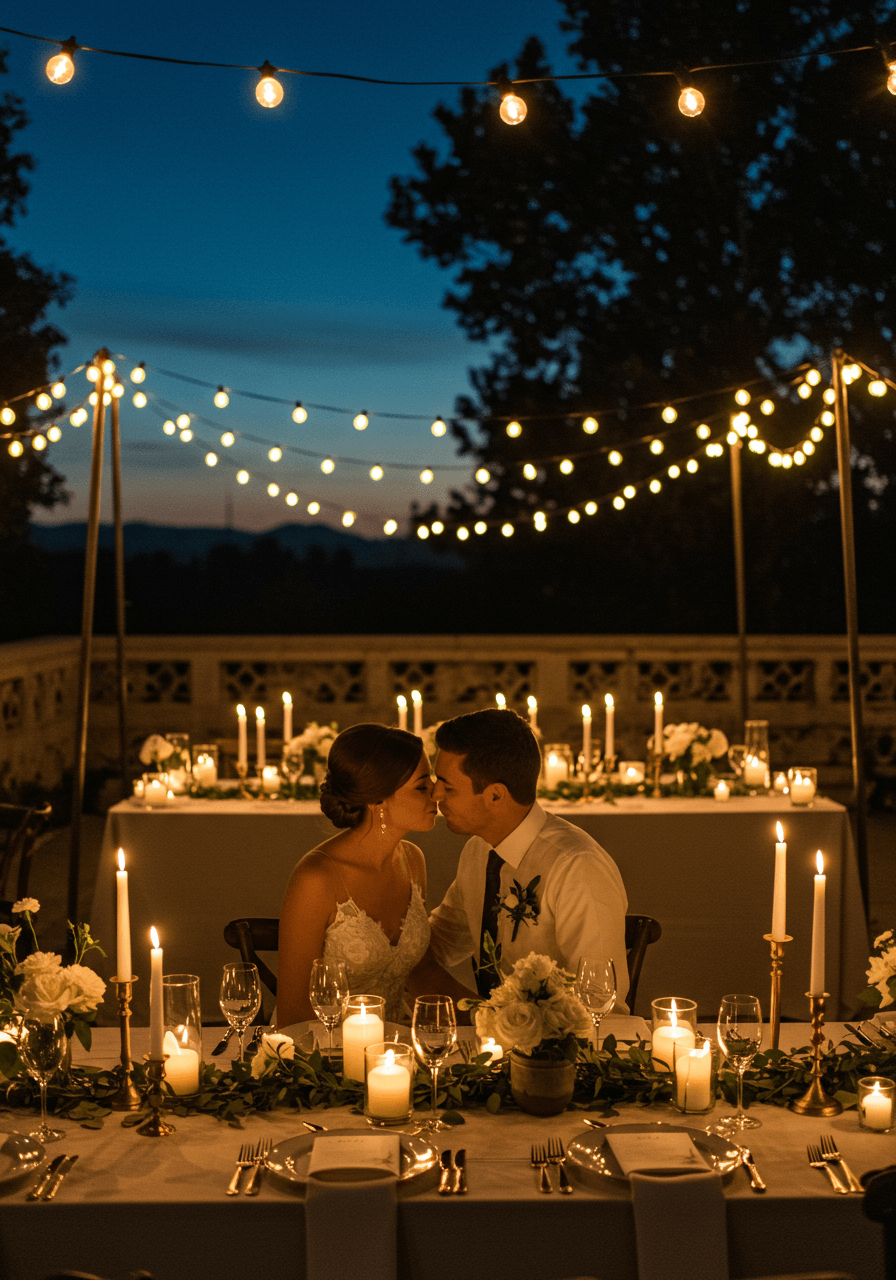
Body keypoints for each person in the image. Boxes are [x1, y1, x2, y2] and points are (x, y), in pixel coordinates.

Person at [428, 708, 630, 1008]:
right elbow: (441, 940)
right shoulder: (478, 850)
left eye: (447, 786)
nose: (434, 795)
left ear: (495, 796)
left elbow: (599, 1001)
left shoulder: (577, 866)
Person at [277, 723, 459, 1027]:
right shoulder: (317, 879)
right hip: (322, 1053)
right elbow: (294, 1014)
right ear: (377, 800)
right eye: (421, 787)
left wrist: (492, 1013)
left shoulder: (412, 861)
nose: (437, 795)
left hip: (395, 1053)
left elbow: (421, 973)